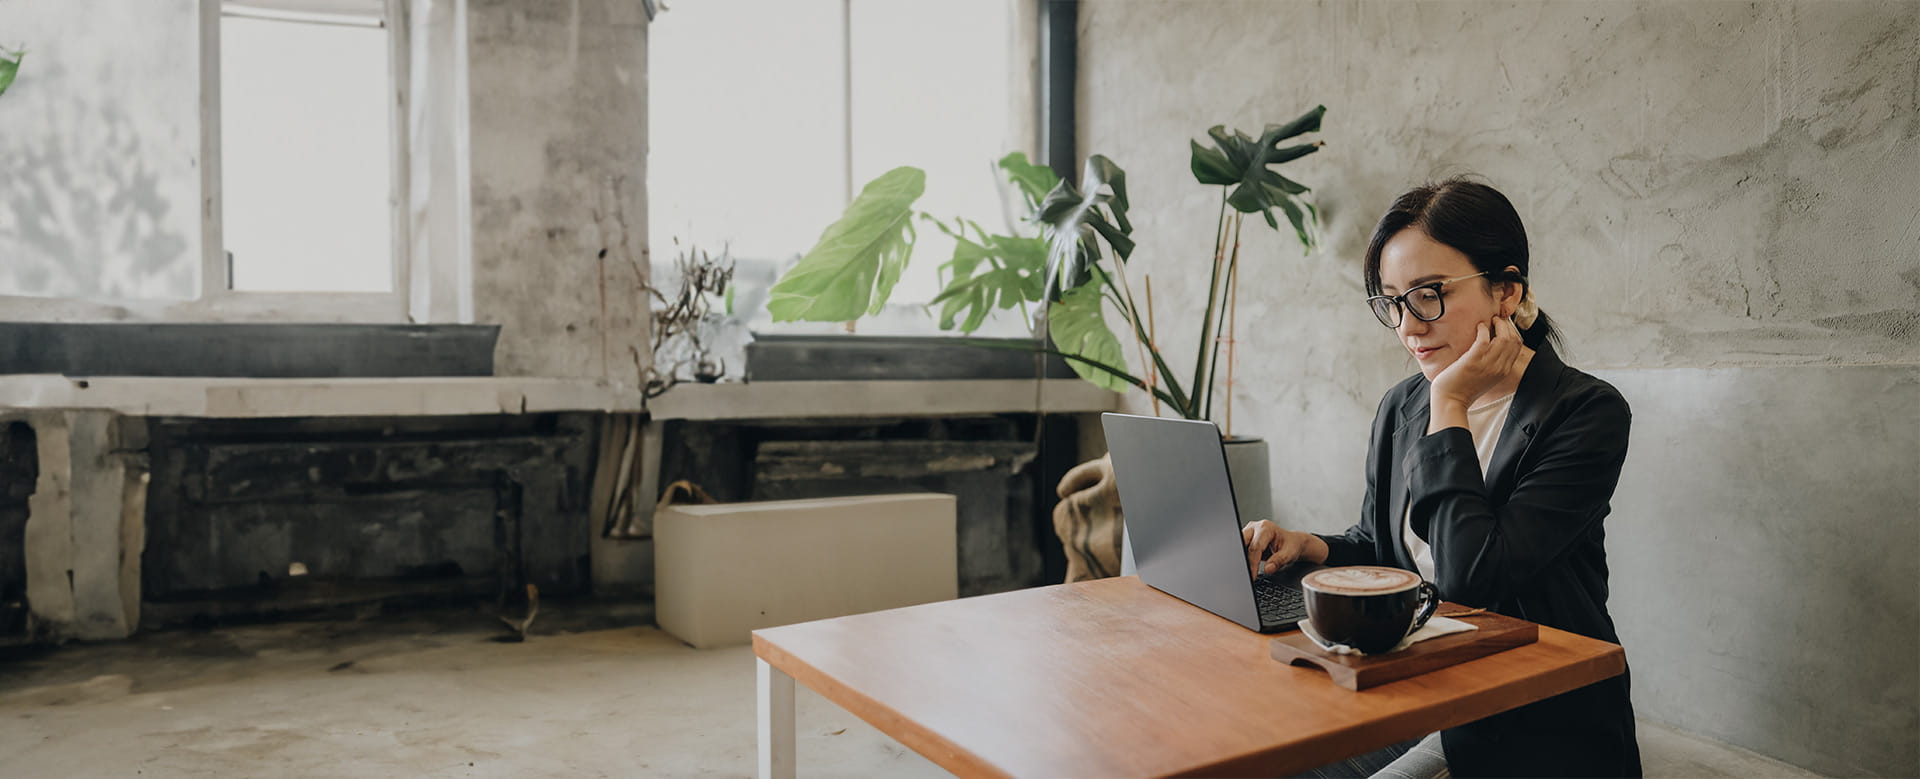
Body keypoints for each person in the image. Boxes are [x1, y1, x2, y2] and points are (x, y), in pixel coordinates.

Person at [1243, 178, 1642, 777]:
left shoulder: (1584, 411)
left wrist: (1450, 404)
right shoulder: (1401, 405)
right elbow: (1391, 555)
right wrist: (1313, 546)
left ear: (1506, 290)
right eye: (1392, 301)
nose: (1408, 326)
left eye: (1428, 295)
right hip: (1409, 687)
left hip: (1520, 717)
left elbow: (1472, 579)